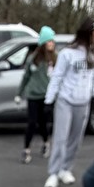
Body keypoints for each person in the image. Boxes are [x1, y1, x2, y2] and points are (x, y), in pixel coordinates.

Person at [42, 17, 94, 187]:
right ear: (88, 31)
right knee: (61, 138)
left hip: (82, 102)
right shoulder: (67, 53)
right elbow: (57, 77)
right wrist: (49, 100)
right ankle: (53, 173)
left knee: (75, 140)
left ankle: (65, 169)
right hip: (65, 101)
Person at [16, 26, 57, 164]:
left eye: (53, 41)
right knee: (31, 123)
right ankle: (26, 150)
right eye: (49, 41)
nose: (52, 43)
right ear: (43, 43)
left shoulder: (55, 58)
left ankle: (46, 143)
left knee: (43, 124)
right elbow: (26, 77)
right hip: (33, 95)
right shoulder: (33, 59)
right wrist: (19, 93)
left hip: (47, 97)